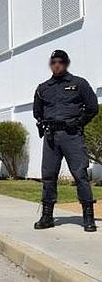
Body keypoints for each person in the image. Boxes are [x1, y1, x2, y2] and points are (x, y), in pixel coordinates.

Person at [33, 50, 99, 232]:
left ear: (66, 63)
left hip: (72, 136)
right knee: (48, 176)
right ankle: (47, 216)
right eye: (53, 62)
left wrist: (79, 122)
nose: (57, 64)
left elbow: (93, 107)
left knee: (80, 175)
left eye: (60, 61)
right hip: (51, 138)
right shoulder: (42, 87)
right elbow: (37, 112)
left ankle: (88, 217)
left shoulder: (79, 84)